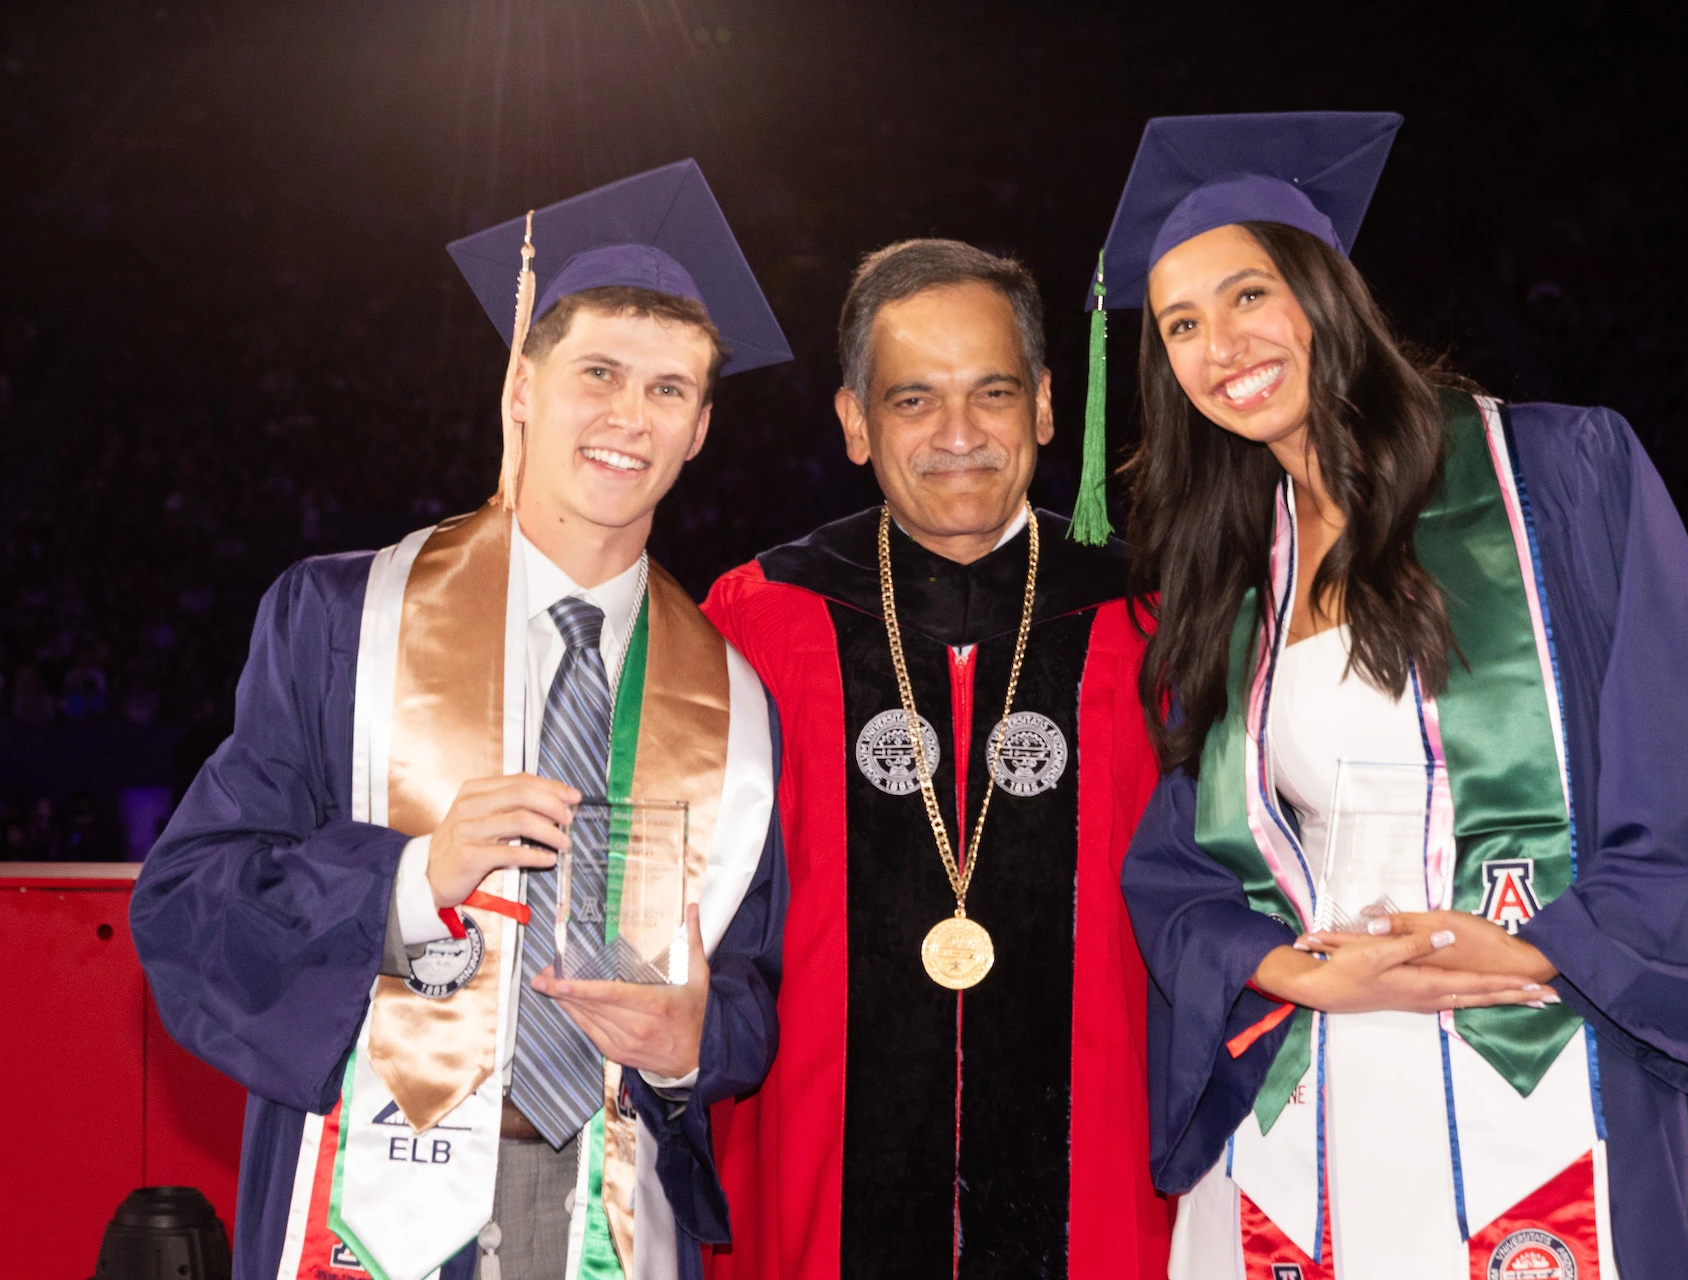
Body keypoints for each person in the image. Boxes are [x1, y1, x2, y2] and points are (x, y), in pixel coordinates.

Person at [1104, 113, 1688, 1277]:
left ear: (1328, 293)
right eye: (1181, 322)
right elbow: (1183, 868)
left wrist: (1539, 952)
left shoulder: (1560, 481)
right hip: (1306, 1098)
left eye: (1248, 293)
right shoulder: (1229, 571)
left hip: (1535, 1067)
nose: (1219, 344)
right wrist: (1290, 968)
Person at [131, 160, 791, 1280]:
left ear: (701, 429)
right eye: (598, 371)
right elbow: (191, 903)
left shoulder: (732, 697)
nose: (630, 415)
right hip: (368, 1190)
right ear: (522, 387)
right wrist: (409, 875)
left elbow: (750, 989)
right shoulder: (344, 620)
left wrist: (696, 1045)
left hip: (607, 1213)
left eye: (669, 389)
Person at [700, 239, 1169, 1278]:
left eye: (993, 392)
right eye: (913, 401)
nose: (959, 434)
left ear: (1047, 406)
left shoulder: (1152, 623)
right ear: (856, 424)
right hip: (823, 1174)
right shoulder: (760, 619)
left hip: (1099, 1180)